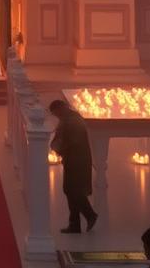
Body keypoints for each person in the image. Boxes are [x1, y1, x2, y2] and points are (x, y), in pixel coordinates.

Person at [47, 99, 97, 233]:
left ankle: (89, 214)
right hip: (73, 159)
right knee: (70, 190)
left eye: (56, 113)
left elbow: (73, 141)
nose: (57, 117)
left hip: (77, 160)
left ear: (61, 109)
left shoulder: (72, 121)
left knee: (73, 190)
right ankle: (75, 224)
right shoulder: (70, 119)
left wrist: (59, 148)